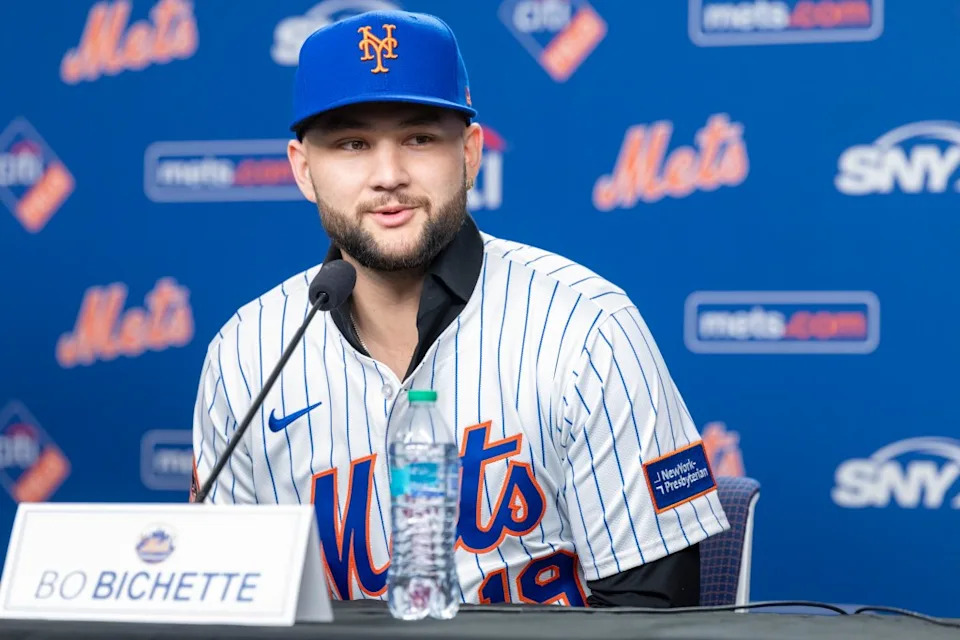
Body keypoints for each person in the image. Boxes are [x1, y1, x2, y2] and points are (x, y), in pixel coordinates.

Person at [191, 9, 729, 608]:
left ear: (470, 154)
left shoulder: (586, 327)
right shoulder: (245, 353)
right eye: (352, 143)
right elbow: (226, 606)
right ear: (303, 169)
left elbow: (650, 614)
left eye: (419, 138)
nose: (388, 175)